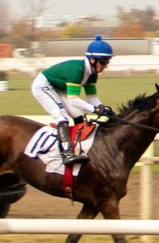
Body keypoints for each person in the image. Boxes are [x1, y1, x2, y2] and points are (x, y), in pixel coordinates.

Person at [32, 36, 116, 165]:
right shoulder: (77, 70)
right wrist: (95, 109)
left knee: (78, 117)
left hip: (59, 87)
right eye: (104, 62)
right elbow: (73, 100)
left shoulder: (92, 74)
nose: (106, 66)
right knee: (62, 118)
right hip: (43, 86)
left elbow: (92, 97)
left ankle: (79, 148)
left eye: (108, 62)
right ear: (92, 59)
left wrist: (102, 108)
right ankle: (66, 153)